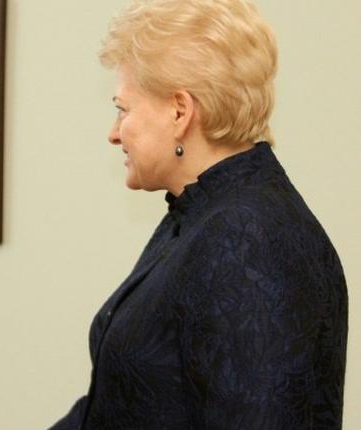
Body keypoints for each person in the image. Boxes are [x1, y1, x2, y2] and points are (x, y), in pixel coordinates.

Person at [50, 0, 348, 429]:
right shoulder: (203, 214)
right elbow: (121, 402)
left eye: (123, 109)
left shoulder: (248, 239)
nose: (114, 133)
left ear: (179, 111)